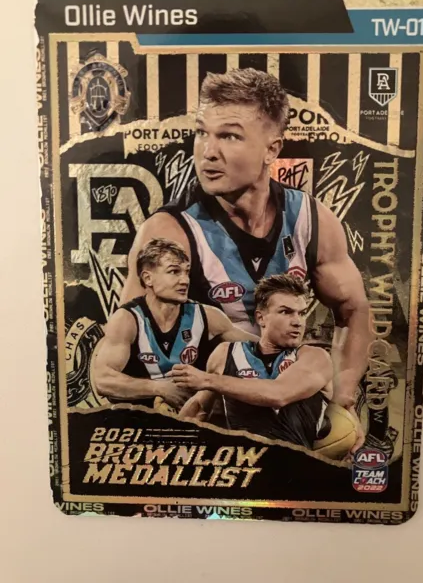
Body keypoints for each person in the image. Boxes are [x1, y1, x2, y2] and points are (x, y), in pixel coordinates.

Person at [120, 68, 371, 449]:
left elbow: (353, 310)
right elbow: (129, 336)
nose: (208, 151)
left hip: (289, 405)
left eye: (229, 136)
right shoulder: (170, 230)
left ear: (272, 149)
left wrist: (344, 396)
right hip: (211, 419)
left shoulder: (311, 219)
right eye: (202, 132)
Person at [168, 274, 333, 452]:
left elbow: (279, 394)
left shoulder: (316, 357)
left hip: (293, 466)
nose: (298, 322)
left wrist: (207, 380)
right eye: (286, 312)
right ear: (261, 318)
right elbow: (199, 410)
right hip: (242, 464)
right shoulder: (225, 354)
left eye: (301, 313)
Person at [93, 238, 256, 410]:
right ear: (148, 278)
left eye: (186, 272)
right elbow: (103, 380)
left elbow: (260, 348)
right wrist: (159, 388)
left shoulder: (208, 316)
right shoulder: (127, 319)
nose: (185, 280)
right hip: (138, 419)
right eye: (174, 271)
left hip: (190, 418)